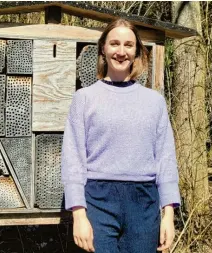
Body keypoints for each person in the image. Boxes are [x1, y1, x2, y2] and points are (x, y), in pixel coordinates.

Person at [61, 18, 181, 253]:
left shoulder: (154, 102)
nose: (121, 51)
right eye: (114, 43)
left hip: (143, 203)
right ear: (103, 49)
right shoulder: (85, 98)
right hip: (98, 200)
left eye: (128, 45)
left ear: (136, 51)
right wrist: (78, 214)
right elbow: (73, 158)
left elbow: (165, 158)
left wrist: (168, 214)